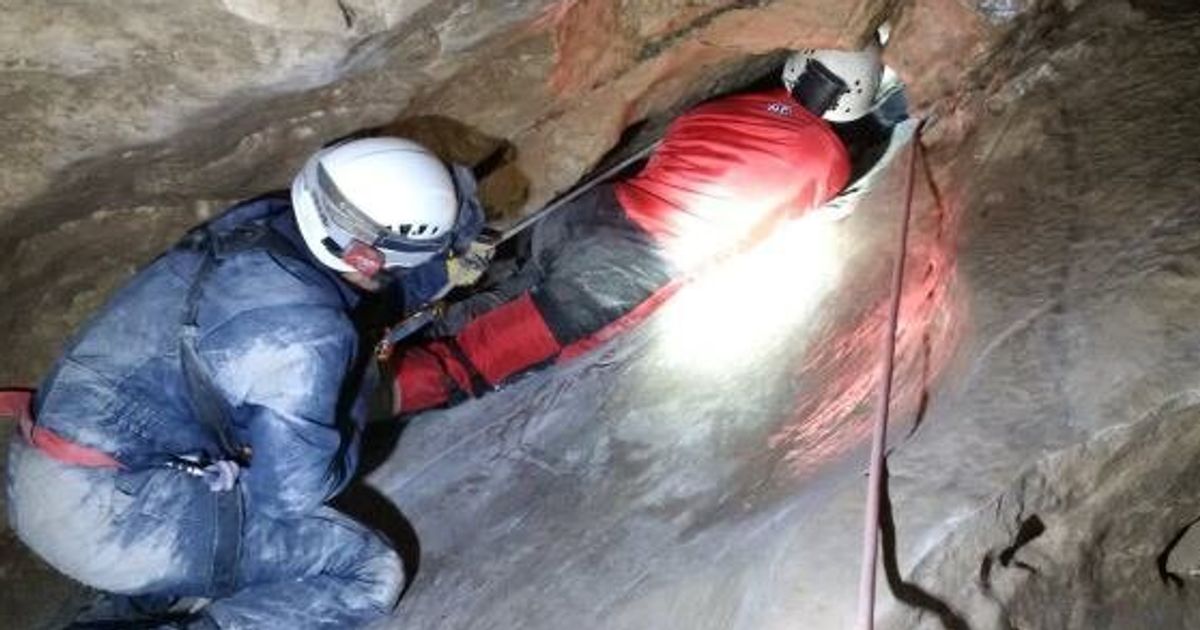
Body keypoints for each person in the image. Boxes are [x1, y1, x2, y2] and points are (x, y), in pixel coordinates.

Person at [3, 137, 484, 629]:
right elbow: (290, 494)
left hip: (39, 474)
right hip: (106, 521)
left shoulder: (260, 221)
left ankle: (129, 606)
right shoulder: (304, 336)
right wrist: (354, 398)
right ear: (372, 259)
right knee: (364, 572)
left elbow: (356, 288)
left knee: (224, 486)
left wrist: (436, 260)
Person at [388, 43, 890, 414]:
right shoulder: (830, 160)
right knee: (476, 362)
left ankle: (377, 347)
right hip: (624, 270)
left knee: (497, 297)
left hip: (589, 213)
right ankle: (353, 402)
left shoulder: (719, 108)